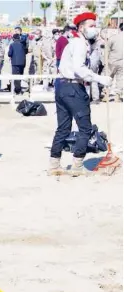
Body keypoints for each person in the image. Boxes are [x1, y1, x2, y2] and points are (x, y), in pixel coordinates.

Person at [49, 12, 112, 177]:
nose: (94, 29)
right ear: (81, 27)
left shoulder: (75, 42)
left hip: (62, 86)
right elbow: (79, 68)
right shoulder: (79, 44)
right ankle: (77, 165)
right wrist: (101, 79)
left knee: (63, 128)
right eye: (91, 26)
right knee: (85, 128)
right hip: (74, 88)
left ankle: (54, 165)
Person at [106, 23, 123, 101]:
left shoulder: (113, 38)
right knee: (121, 79)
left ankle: (106, 94)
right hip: (122, 61)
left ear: (119, 29)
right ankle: (117, 95)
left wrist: (105, 61)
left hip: (112, 61)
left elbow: (107, 50)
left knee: (108, 77)